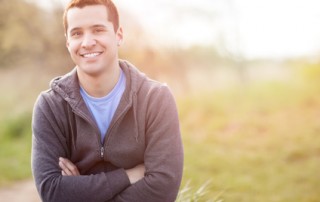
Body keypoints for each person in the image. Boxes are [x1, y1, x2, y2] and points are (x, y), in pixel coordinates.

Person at [31, 0, 184, 201]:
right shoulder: (50, 106)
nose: (87, 42)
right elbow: (52, 191)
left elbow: (163, 188)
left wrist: (80, 192)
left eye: (98, 30)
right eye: (77, 33)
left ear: (118, 35)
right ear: (68, 42)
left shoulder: (156, 99)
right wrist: (128, 176)